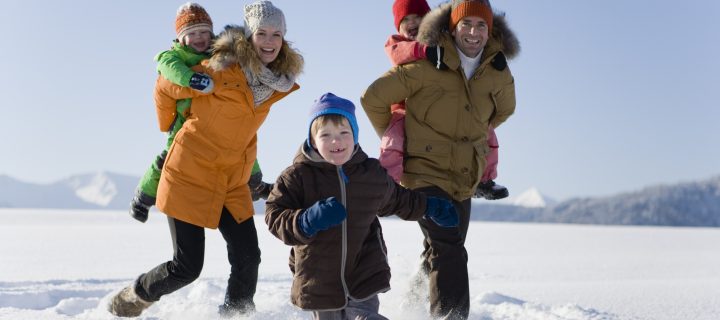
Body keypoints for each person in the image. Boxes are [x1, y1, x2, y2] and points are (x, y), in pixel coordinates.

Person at [108, 1, 303, 317]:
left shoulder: (273, 82)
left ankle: (235, 314)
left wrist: (253, 171)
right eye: (262, 33)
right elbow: (165, 84)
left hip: (231, 180)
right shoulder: (220, 67)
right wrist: (168, 122)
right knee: (187, 267)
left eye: (276, 34)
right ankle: (136, 295)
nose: (269, 41)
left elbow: (241, 131)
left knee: (248, 256)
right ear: (248, 36)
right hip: (189, 172)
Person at [361, 0, 520, 318]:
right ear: (453, 26)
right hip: (424, 173)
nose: (473, 32)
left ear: (490, 30)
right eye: (466, 24)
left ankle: (414, 301)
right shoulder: (426, 63)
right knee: (450, 247)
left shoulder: (496, 70)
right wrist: (400, 131)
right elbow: (373, 98)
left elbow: (504, 110)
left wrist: (475, 136)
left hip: (464, 175)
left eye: (481, 26)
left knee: (443, 246)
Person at [264, 93, 459, 320]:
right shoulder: (297, 176)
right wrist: (307, 220)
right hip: (318, 278)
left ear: (355, 135)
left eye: (344, 133)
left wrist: (432, 207)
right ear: (312, 140)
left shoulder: (370, 174)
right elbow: (274, 215)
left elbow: (399, 199)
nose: (336, 141)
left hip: (364, 271)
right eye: (325, 135)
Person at [129, 2, 273, 224]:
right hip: (186, 119)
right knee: (169, 157)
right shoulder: (174, 56)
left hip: (216, 115)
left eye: (204, 32)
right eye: (192, 33)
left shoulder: (219, 52)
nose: (199, 38)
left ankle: (255, 184)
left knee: (241, 143)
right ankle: (143, 196)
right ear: (181, 37)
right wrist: (191, 79)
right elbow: (168, 68)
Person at [382, 0, 509, 200]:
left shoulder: (443, 42)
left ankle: (484, 179)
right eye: (406, 19)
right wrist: (422, 50)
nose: (413, 23)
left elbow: (469, 51)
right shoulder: (397, 43)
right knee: (393, 142)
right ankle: (387, 184)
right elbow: (398, 54)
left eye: (418, 17)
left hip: (438, 108)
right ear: (398, 26)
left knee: (486, 134)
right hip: (404, 106)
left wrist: (493, 57)